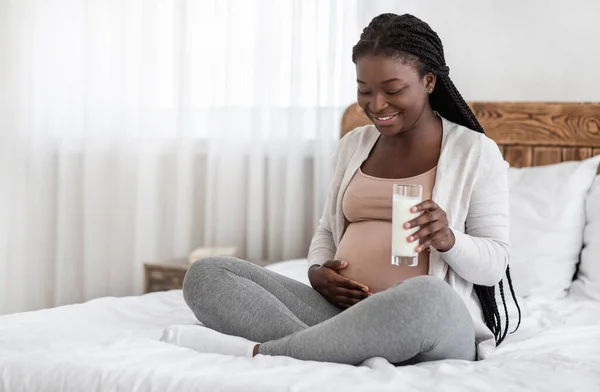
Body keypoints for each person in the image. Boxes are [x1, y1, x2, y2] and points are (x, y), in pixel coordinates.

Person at [160, 13, 520, 365]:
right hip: (337, 313)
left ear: (428, 81)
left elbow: (494, 265)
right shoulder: (354, 144)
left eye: (393, 90)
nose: (377, 105)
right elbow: (326, 230)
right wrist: (317, 271)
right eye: (365, 90)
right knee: (207, 275)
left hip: (425, 322)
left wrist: (449, 240)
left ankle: (264, 353)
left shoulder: (473, 152)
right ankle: (330, 348)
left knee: (427, 297)